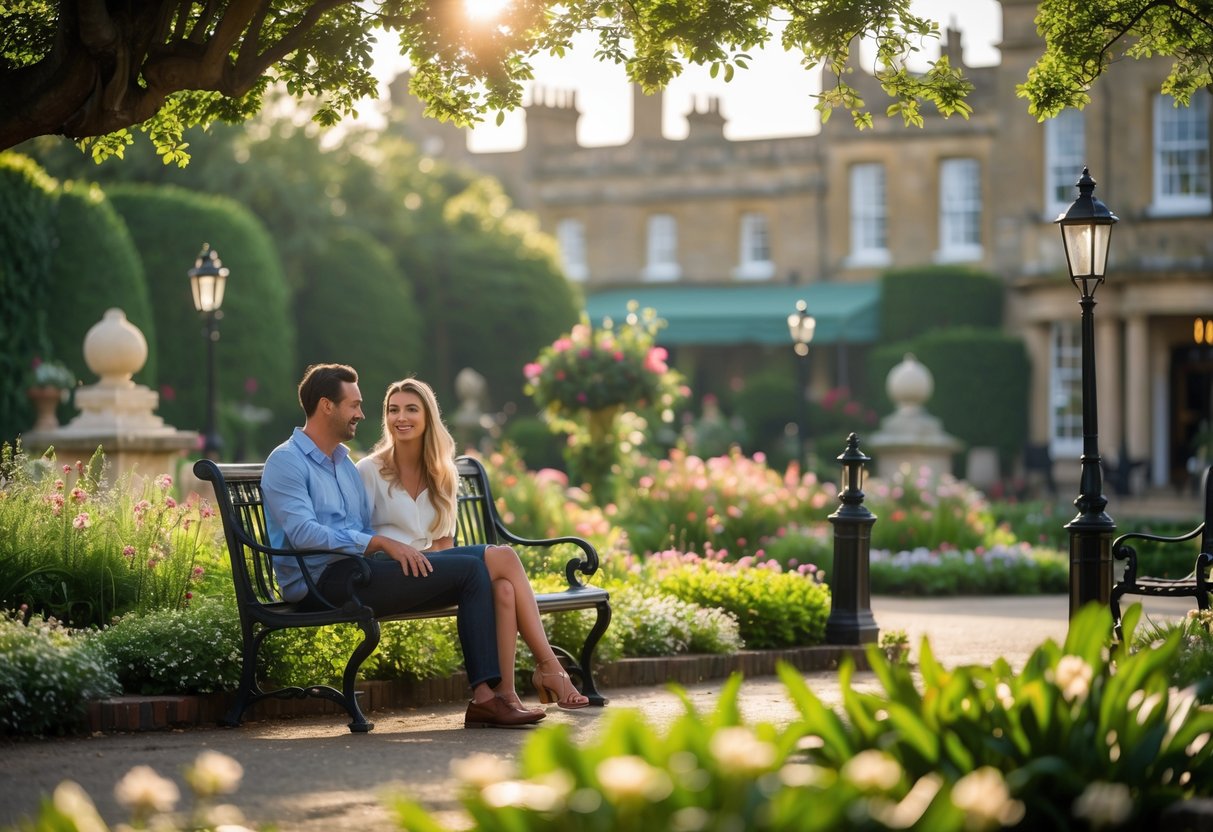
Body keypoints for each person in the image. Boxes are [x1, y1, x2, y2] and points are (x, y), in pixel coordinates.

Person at [261, 363, 543, 729]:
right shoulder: (286, 461)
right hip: (320, 583)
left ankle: (491, 698)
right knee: (475, 568)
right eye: (354, 405)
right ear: (327, 406)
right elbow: (304, 534)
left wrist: (394, 551)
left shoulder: (343, 466)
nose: (362, 414)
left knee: (482, 568)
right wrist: (381, 542)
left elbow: (360, 530)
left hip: (359, 572)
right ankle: (495, 695)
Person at [357, 378, 590, 711]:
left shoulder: (443, 472)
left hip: (434, 572)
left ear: (428, 417)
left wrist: (437, 567)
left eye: (411, 409)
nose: (401, 418)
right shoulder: (368, 471)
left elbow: (444, 543)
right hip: (391, 575)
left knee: (505, 590)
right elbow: (358, 537)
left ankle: (507, 695)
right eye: (393, 410)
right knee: (505, 557)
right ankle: (549, 667)